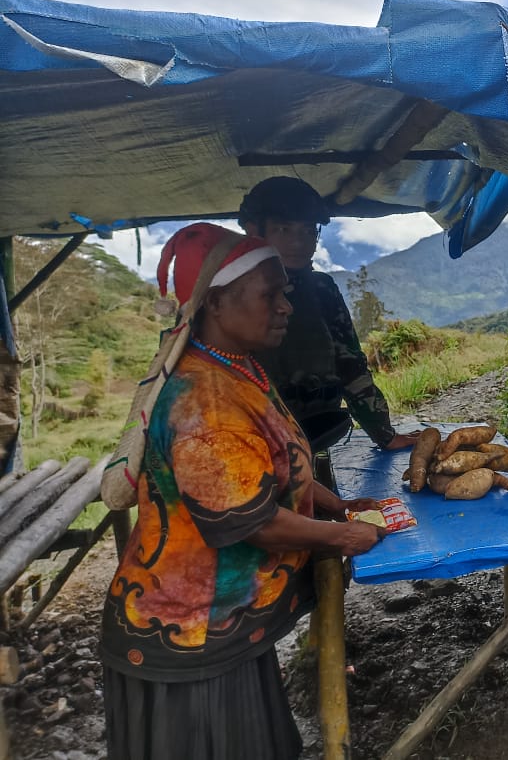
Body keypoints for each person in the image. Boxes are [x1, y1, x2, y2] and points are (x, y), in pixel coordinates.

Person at [100, 223, 388, 760]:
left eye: (285, 293)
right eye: (270, 294)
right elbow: (250, 521)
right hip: (186, 628)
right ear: (214, 302)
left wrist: (336, 504)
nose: (285, 307)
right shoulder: (204, 404)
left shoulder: (235, 368)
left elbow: (271, 467)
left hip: (221, 623)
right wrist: (344, 536)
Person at [237, 176, 420, 459]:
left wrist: (384, 434)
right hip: (246, 446)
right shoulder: (224, 295)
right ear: (254, 231)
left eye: (308, 230)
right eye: (283, 229)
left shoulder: (322, 290)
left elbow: (351, 367)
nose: (299, 242)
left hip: (315, 436)